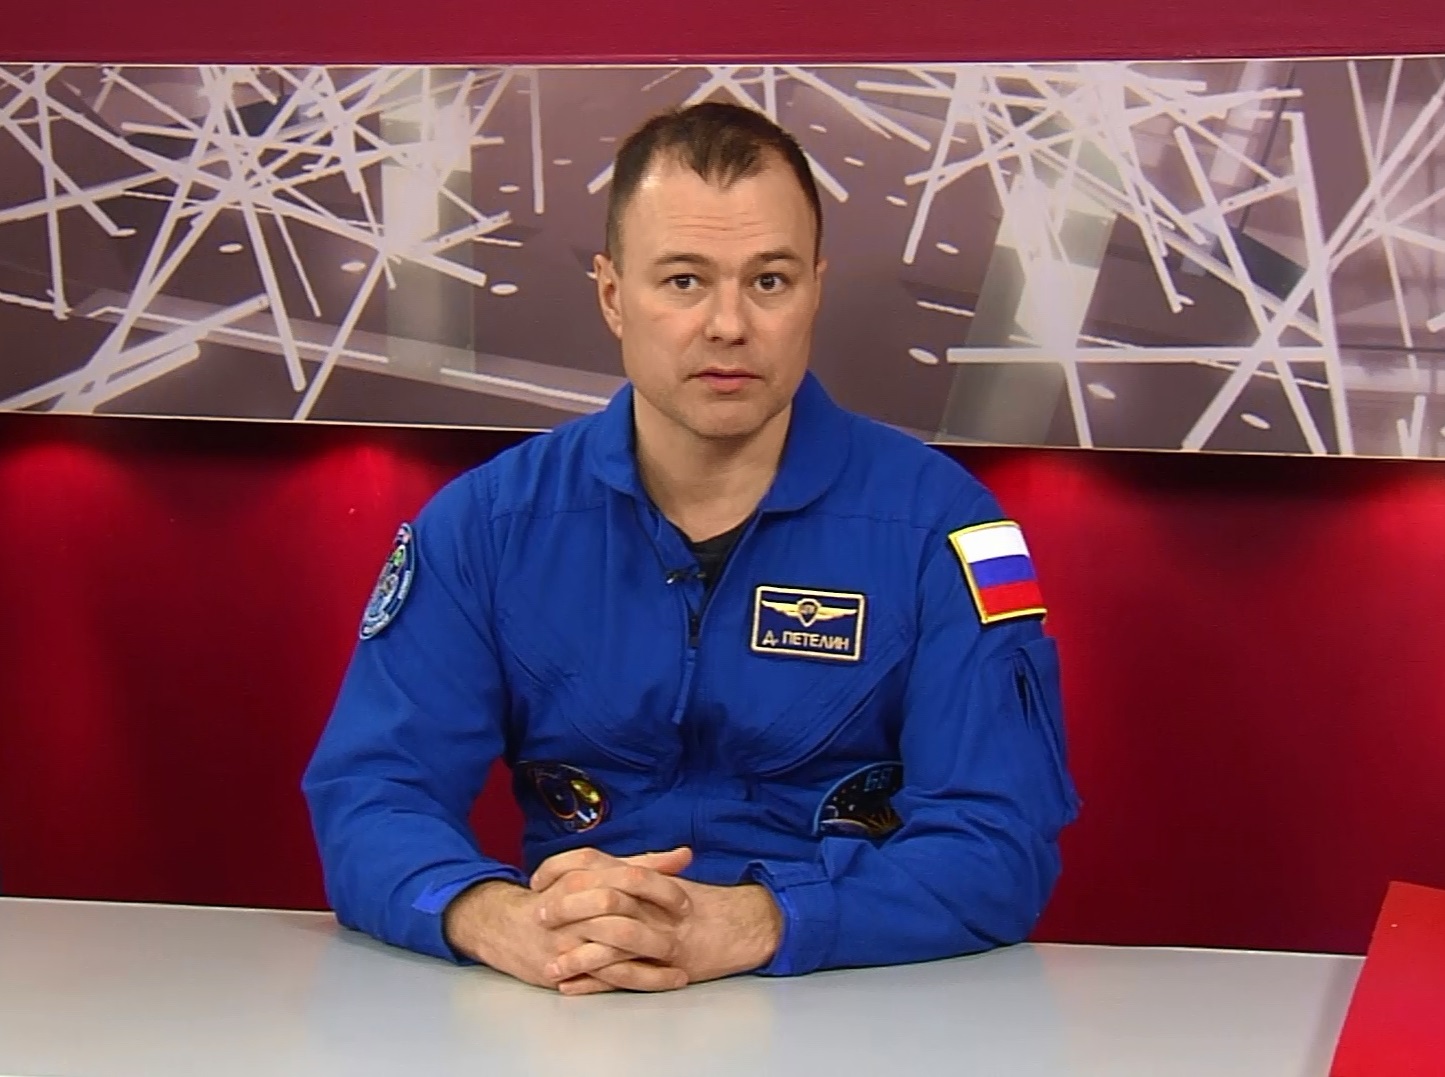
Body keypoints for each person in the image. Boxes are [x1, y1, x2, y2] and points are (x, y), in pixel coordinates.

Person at [301, 101, 1080, 996]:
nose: (727, 324)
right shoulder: (482, 526)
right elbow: (371, 796)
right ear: (611, 295)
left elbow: (997, 844)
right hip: (571, 1004)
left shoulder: (949, 528)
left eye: (769, 280)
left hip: (842, 1001)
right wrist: (501, 918)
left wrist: (755, 921)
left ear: (815, 290)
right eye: (682, 280)